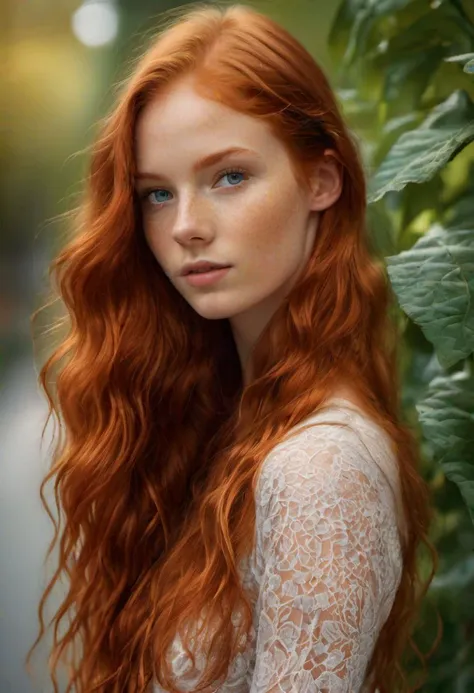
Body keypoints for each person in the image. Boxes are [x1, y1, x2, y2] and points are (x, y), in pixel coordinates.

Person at [27, 3, 438, 692]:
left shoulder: (318, 468)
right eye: (157, 193)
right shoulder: (222, 422)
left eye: (229, 176)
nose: (186, 225)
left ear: (321, 180)